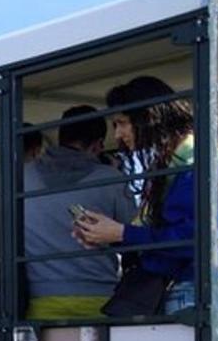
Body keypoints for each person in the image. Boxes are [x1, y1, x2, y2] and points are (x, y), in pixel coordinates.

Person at [72, 76, 218, 315]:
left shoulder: (189, 158)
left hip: (189, 293)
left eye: (121, 123)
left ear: (147, 118)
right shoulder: (184, 155)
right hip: (188, 291)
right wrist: (107, 235)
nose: (117, 134)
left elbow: (193, 238)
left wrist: (121, 233)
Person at [23, 106, 136, 318]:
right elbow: (134, 236)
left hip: (38, 299)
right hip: (101, 299)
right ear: (98, 145)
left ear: (60, 136)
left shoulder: (22, 178)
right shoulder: (112, 179)